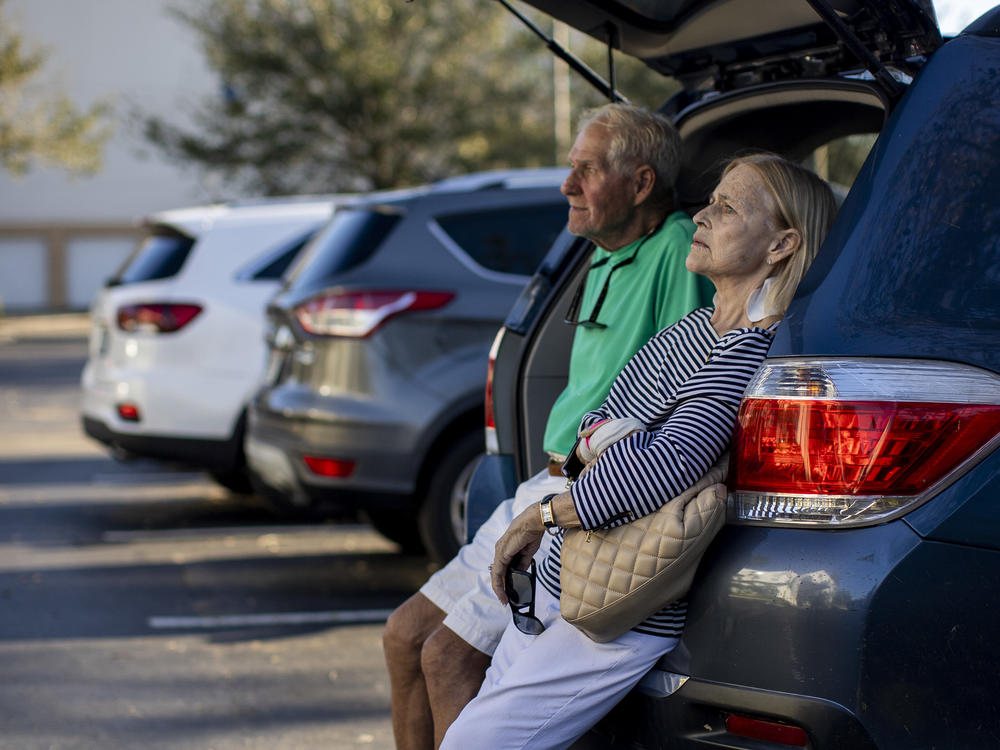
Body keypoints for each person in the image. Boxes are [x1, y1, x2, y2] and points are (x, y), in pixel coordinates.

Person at [439, 153, 839, 750]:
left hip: (612, 608)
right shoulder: (697, 329)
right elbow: (595, 432)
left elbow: (671, 459)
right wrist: (605, 447)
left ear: (781, 245)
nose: (702, 214)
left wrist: (545, 513)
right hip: (562, 577)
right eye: (712, 200)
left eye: (727, 207)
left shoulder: (747, 346)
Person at [382, 103, 715, 750]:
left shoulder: (675, 251)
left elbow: (682, 406)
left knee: (446, 659)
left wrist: (579, 503)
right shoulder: (606, 253)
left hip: (581, 499)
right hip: (542, 483)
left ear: (642, 184)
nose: (567, 186)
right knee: (403, 637)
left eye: (585, 171)